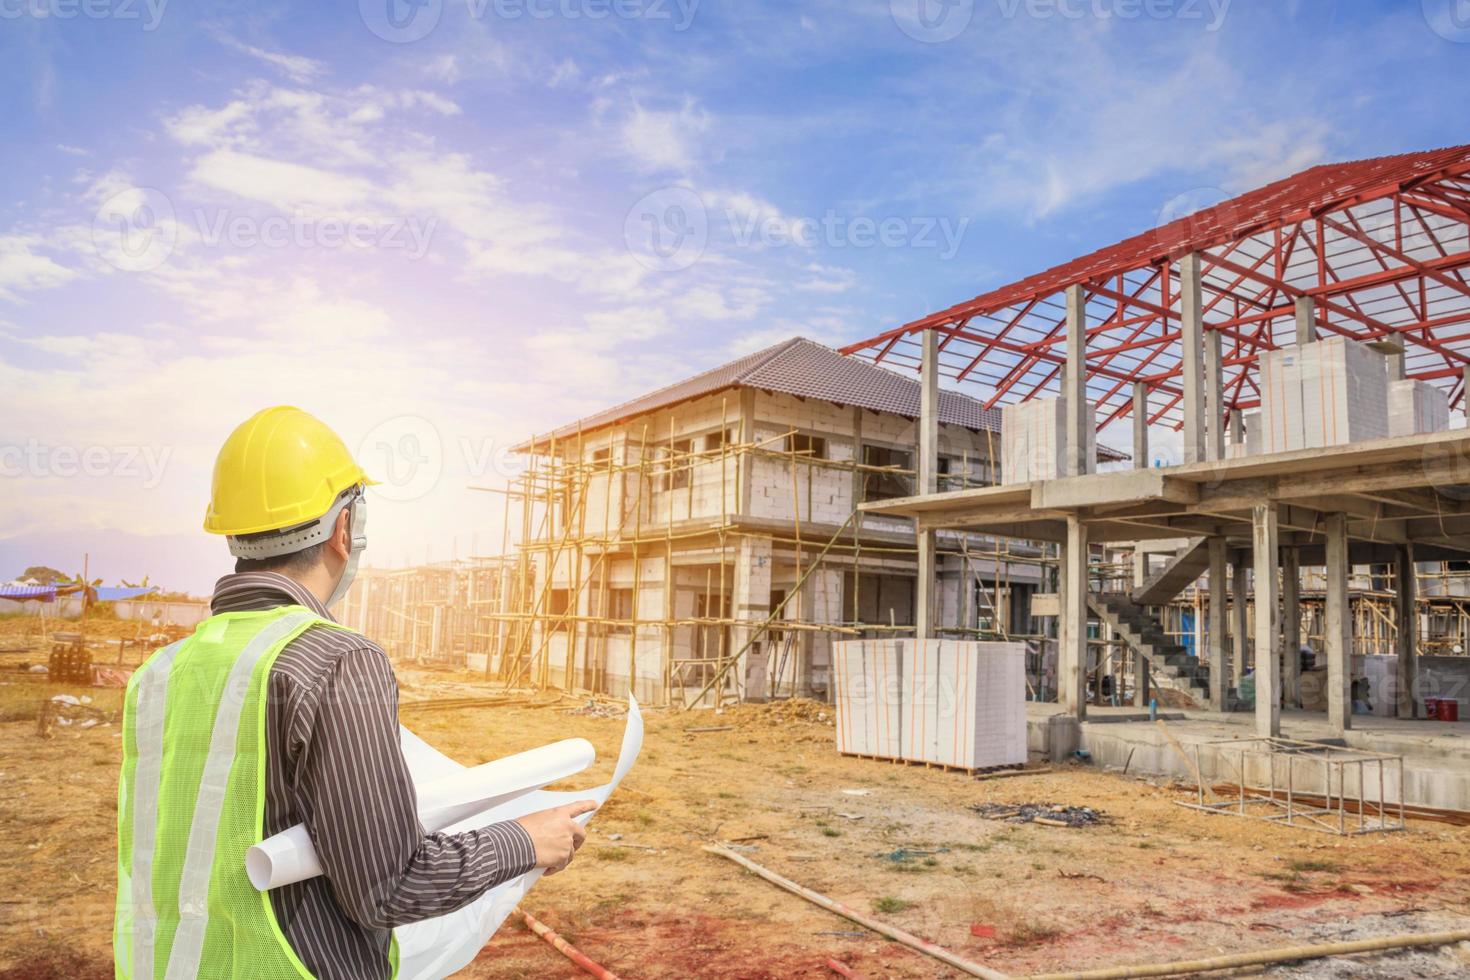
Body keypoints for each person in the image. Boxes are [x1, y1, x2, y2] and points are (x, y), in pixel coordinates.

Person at [115, 406, 594, 979]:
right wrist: (524, 839)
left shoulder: (161, 672)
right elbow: (389, 884)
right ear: (345, 529)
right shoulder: (334, 659)